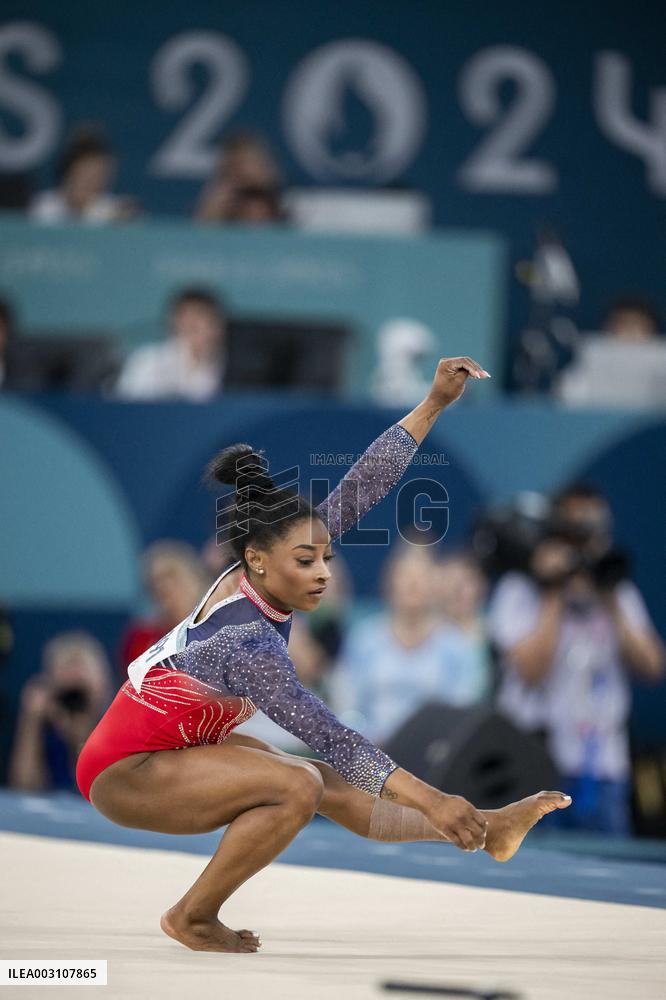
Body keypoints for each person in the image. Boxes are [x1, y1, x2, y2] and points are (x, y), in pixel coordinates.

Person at [76, 356, 571, 955]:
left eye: (326, 559)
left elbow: (366, 482)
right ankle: (192, 916)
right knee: (300, 784)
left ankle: (488, 830)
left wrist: (434, 402)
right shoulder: (248, 643)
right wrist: (434, 797)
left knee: (326, 785)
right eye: (307, 563)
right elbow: (335, 736)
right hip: (125, 773)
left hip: (174, 745)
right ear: (258, 558)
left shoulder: (267, 562)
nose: (322, 576)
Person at [489, 483, 665, 835]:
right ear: (557, 535)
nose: (590, 544)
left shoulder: (618, 592)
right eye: (579, 533)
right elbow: (531, 671)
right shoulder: (520, 589)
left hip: (604, 772)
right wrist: (554, 588)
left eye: (598, 531)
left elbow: (653, 667)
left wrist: (610, 597)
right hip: (534, 768)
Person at [332, 546, 488, 744]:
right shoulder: (364, 639)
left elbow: (463, 709)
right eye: (405, 576)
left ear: (435, 586)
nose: (413, 584)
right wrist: (367, 738)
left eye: (421, 577)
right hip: (374, 752)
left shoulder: (457, 646)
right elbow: (345, 705)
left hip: (434, 754)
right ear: (390, 584)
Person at [9, 632, 112, 793]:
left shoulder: (115, 730)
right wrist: (31, 720)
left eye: (82, 669)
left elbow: (103, 792)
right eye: (66, 669)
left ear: (104, 686)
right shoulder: (47, 733)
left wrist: (80, 739)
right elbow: (24, 787)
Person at [115, 288, 226, 401]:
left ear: (218, 326)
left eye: (200, 318)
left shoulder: (228, 366)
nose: (190, 323)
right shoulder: (148, 360)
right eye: (184, 319)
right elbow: (128, 405)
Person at [119, 541, 209, 679]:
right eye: (155, 583)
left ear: (196, 581)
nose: (164, 587)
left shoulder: (225, 626)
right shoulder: (142, 639)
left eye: (173, 577)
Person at [29, 126, 137, 224]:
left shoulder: (113, 212)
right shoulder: (42, 206)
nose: (93, 182)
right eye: (86, 174)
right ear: (69, 172)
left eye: (100, 175)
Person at [433, 551, 494, 699]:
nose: (457, 589)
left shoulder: (497, 636)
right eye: (450, 580)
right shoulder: (425, 637)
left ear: (481, 587)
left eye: (466, 581)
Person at [195, 131, 282, 224]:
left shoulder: (290, 203)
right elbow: (201, 232)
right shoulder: (219, 200)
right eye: (233, 165)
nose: (240, 170)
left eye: (246, 161)